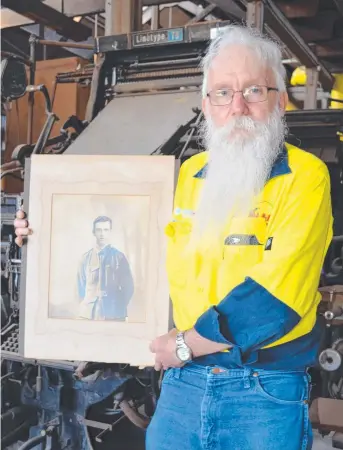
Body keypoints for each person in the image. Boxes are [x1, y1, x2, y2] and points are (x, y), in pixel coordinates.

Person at [14, 25, 333, 450]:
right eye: (222, 93)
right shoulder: (188, 175)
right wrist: (42, 229)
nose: (237, 106)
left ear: (278, 100)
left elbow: (275, 297)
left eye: (253, 91)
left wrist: (183, 346)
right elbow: (135, 241)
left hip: (262, 389)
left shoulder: (305, 177)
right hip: (183, 385)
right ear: (206, 104)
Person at [76, 215, 134, 321]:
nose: (102, 234)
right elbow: (80, 288)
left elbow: (128, 287)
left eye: (105, 230)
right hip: (89, 315)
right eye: (99, 230)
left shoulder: (119, 257)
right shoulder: (85, 258)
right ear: (93, 232)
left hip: (113, 314)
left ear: (110, 232)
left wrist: (117, 307)